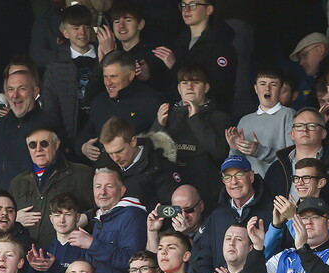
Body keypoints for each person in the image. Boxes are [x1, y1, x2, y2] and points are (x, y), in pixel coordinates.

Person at [0, 62, 57, 202]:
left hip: (27, 212)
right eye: (10, 89)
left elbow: (51, 177)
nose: (15, 95)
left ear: (35, 91)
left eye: (21, 89)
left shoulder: (48, 126)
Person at [154, 65, 230, 207]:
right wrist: (159, 126)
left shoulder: (220, 118)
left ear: (206, 88)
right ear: (178, 88)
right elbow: (152, 155)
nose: (189, 87)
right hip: (172, 191)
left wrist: (195, 119)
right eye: (184, 83)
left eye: (195, 82)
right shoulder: (167, 115)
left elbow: (219, 152)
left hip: (206, 194)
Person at [192, 155, 273, 273]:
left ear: (251, 176)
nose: (234, 182)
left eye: (239, 174)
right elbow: (203, 256)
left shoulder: (272, 211)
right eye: (227, 177)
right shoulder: (216, 215)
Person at [9, 127, 95, 247]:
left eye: (44, 143)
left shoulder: (83, 173)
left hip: (69, 254)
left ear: (57, 144)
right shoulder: (17, 182)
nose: (38, 149)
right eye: (32, 145)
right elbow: (2, 222)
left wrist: (85, 218)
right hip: (27, 256)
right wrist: (14, 220)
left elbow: (102, 210)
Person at [262, 108, 329, 215]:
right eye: (299, 126)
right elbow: (266, 206)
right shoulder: (276, 168)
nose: (304, 130)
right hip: (282, 229)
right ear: (292, 134)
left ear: (323, 133)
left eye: (311, 125)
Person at [79, 168, 147, 273]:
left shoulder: (132, 215)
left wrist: (92, 244)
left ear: (121, 191)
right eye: (98, 187)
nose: (102, 192)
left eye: (109, 187)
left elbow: (131, 260)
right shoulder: (98, 219)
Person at [40, 4, 104, 146]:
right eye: (76, 28)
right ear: (65, 32)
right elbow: (51, 108)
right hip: (69, 140)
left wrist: (105, 59)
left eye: (86, 27)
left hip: (103, 135)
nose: (82, 32)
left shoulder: (104, 57)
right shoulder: (55, 64)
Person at [157, 0, 237, 112]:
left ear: (209, 9)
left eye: (193, 5)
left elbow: (217, 88)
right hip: (177, 115)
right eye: (183, 5)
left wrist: (175, 66)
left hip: (208, 117)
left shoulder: (220, 47)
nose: (186, 9)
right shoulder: (180, 42)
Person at [94, 116, 179, 212]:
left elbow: (172, 209)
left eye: (120, 151)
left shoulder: (160, 167)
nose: (115, 158)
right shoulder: (104, 163)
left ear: (133, 141)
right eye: (110, 153)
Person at [227, 68, 294, 177]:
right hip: (252, 188)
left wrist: (259, 151)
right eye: (262, 84)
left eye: (273, 84)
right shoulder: (245, 120)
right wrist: (235, 149)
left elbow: (293, 156)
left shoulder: (289, 115)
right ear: (256, 89)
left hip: (279, 184)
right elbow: (236, 165)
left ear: (281, 89)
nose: (267, 88)